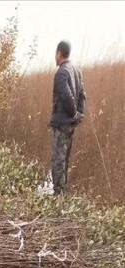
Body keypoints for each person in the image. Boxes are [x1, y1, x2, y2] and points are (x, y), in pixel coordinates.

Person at [50, 39, 86, 195]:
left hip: (62, 124)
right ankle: (65, 194)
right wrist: (79, 115)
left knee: (58, 161)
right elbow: (82, 95)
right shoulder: (76, 70)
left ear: (59, 53)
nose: (55, 57)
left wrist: (73, 114)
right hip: (71, 125)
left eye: (55, 54)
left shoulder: (61, 72)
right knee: (65, 161)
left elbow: (67, 96)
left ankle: (59, 196)